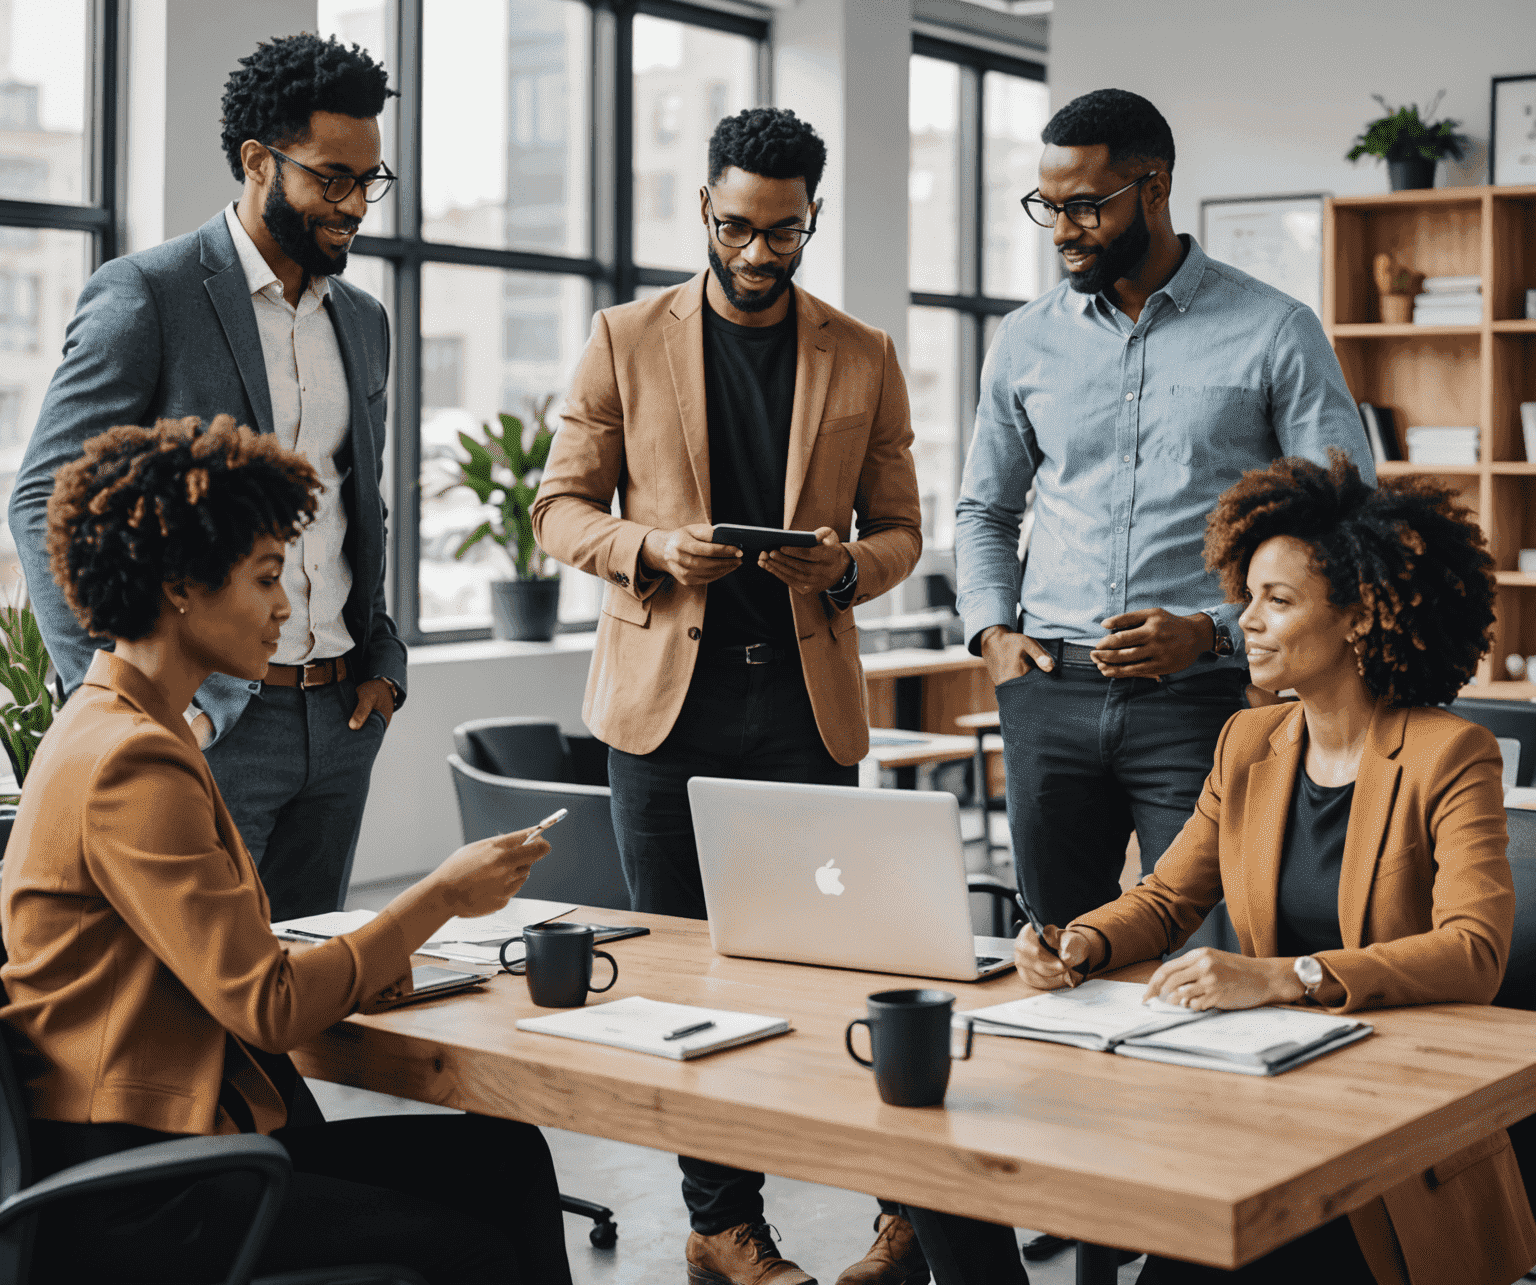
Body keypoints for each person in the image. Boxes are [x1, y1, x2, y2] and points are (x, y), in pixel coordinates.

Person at [0, 415, 572, 1284]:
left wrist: (365, 954)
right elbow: (265, 1007)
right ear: (182, 585)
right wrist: (441, 897)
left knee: (509, 1161)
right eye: (266, 578)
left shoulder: (116, 723)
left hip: (172, 1143)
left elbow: (210, 960)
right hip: (139, 1186)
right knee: (471, 1249)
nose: (284, 607)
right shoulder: (130, 761)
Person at [533, 107, 924, 1285]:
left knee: (839, 962)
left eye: (786, 232)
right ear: (705, 210)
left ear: (812, 219)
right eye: (740, 228)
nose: (761, 254)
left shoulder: (861, 352)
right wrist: (652, 551)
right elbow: (556, 509)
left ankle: (907, 1217)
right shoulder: (622, 337)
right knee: (685, 974)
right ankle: (722, 1224)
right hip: (669, 710)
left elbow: (905, 527)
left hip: (803, 709)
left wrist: (848, 566)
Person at [1000, 451, 1536, 1285]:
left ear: (1359, 617)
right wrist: (1079, 943)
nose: (1243, 620)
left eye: (1275, 601)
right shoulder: (1249, 742)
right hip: (1262, 1103)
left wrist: (1287, 976)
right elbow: (1167, 895)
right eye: (1246, 595)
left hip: (1388, 1134)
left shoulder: (1449, 753)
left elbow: (1475, 951)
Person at [955, 86, 1376, 941]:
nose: (1064, 231)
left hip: (1205, 699)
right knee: (1058, 950)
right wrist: (993, 633)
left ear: (1154, 188)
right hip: (1049, 692)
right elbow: (984, 509)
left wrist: (1218, 633)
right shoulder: (1026, 339)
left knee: (1206, 945)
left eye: (1084, 208)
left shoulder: (1273, 330)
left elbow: (1344, 517)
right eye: (1049, 207)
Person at [9, 33, 406, 922]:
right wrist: (123, 700)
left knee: (309, 1005)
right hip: (214, 719)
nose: (355, 207)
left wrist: (382, 655)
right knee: (200, 1007)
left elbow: (359, 500)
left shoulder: (364, 320)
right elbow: (42, 495)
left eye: (369, 180)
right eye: (331, 179)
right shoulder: (149, 294)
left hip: (342, 715)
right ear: (258, 161)